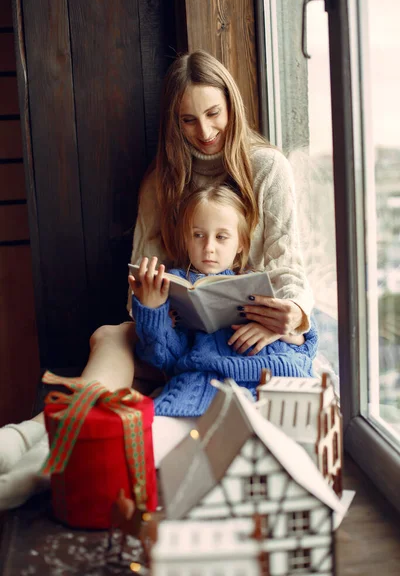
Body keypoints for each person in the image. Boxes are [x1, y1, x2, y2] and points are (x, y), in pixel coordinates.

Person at [0, 49, 314, 507]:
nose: (204, 133)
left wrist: (293, 315)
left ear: (232, 107)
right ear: (173, 122)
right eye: (188, 120)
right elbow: (139, 283)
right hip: (173, 335)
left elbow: (289, 267)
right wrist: (152, 302)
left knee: (141, 377)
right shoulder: (161, 179)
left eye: (213, 114)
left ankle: (40, 444)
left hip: (246, 337)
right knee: (110, 336)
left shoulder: (267, 167)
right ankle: (47, 441)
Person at [129, 185, 318, 419]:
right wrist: (152, 310)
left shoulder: (263, 282)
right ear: (186, 240)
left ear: (240, 244)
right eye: (198, 235)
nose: (209, 247)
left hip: (275, 376)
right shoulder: (175, 284)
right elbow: (164, 359)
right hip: (209, 381)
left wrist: (278, 330)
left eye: (221, 237)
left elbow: (306, 346)